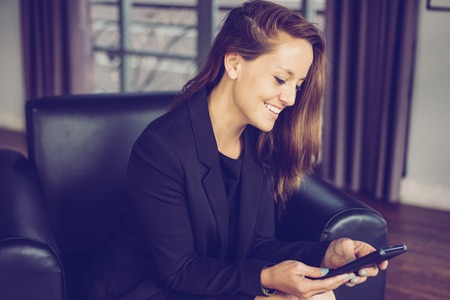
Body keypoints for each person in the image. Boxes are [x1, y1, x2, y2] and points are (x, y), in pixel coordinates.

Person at [86, 1, 388, 299]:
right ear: (234, 63)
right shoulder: (161, 149)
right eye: (281, 79)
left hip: (210, 280)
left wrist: (325, 254)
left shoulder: (257, 142)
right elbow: (178, 270)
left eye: (298, 85)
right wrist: (266, 279)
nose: (291, 99)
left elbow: (256, 244)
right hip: (147, 289)